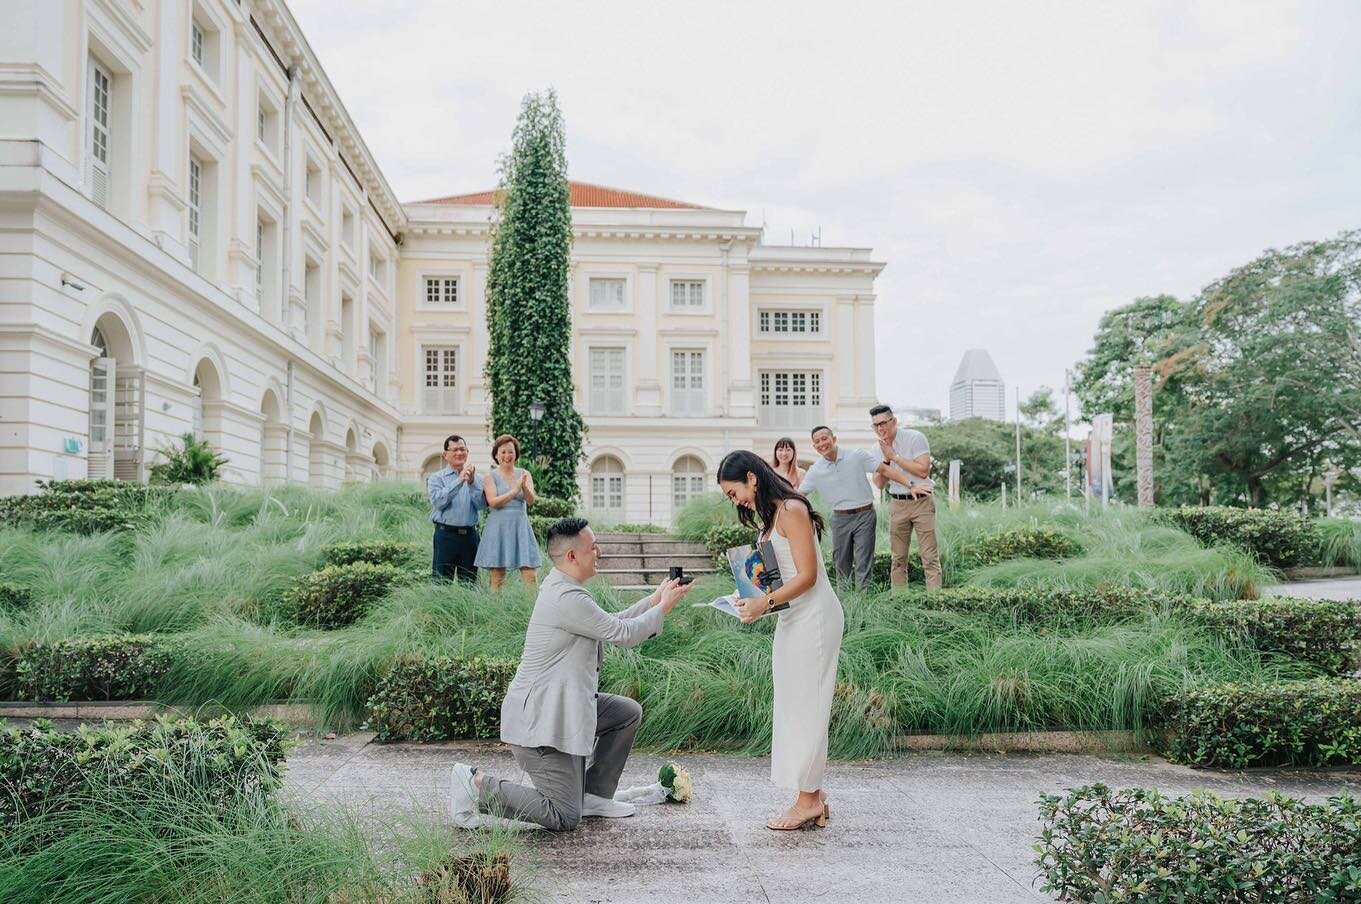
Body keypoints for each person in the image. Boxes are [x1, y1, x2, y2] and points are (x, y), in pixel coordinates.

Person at [449, 518, 694, 831]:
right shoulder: (567, 598)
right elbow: (622, 633)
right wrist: (662, 609)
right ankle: (476, 785)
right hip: (539, 725)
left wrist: (654, 600)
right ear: (573, 557)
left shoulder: (566, 589)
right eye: (593, 548)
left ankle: (594, 794)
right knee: (564, 815)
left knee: (625, 713)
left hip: (562, 708)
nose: (599, 552)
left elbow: (610, 623)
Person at [717, 450, 843, 831]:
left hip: (815, 618)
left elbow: (807, 576)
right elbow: (780, 579)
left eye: (733, 491)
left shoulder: (791, 509)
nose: (734, 500)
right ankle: (815, 798)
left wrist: (764, 603)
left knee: (809, 706)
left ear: (752, 478)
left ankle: (806, 802)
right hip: (791, 618)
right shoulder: (771, 517)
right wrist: (751, 599)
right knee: (793, 703)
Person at [799, 426, 916, 591]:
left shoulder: (856, 456)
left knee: (863, 563)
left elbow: (884, 470)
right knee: (841, 565)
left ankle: (863, 602)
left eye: (824, 438)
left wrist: (910, 485)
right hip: (839, 519)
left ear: (834, 439)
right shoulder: (815, 470)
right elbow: (799, 495)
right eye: (817, 441)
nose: (822, 443)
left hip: (865, 515)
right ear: (814, 446)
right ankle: (844, 606)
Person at [869, 404, 942, 590]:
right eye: (875, 425)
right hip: (898, 503)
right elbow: (879, 483)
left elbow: (923, 470)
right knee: (898, 558)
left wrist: (894, 456)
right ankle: (900, 599)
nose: (880, 428)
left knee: (929, 556)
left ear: (894, 421)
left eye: (883, 423)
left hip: (922, 502)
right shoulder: (875, 449)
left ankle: (935, 600)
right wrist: (886, 459)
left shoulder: (915, 438)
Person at [475, 434, 542, 591]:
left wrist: (524, 487)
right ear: (496, 455)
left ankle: (532, 612)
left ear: (516, 454)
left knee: (530, 576)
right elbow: (493, 502)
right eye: (503, 452)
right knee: (497, 578)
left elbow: (531, 500)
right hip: (498, 528)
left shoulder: (524, 474)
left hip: (520, 526)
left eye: (511, 452)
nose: (507, 456)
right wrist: (515, 490)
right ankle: (496, 612)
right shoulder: (490, 477)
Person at [427, 434, 487, 584]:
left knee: (469, 584)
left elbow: (482, 505)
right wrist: (459, 481)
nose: (459, 453)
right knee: (441, 584)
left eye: (462, 449)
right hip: (445, 536)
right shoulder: (436, 478)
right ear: (445, 455)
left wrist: (472, 483)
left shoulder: (478, 478)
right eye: (454, 450)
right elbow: (438, 502)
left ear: (467, 452)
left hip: (470, 537)